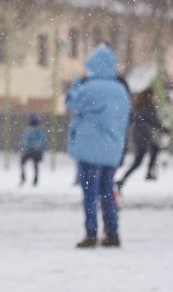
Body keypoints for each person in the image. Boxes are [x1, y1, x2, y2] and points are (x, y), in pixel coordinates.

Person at [65, 44, 130, 249]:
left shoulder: (89, 88)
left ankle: (91, 234)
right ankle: (112, 233)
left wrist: (78, 81)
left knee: (89, 194)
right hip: (112, 151)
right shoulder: (120, 90)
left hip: (89, 149)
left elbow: (71, 103)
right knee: (107, 193)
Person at [116, 88, 169, 190]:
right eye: (154, 95)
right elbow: (154, 121)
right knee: (141, 159)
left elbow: (129, 119)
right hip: (143, 135)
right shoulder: (148, 107)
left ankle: (124, 179)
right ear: (149, 96)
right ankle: (145, 173)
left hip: (139, 135)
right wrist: (165, 129)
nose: (155, 98)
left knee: (150, 152)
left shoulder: (137, 107)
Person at [20, 113, 47, 186]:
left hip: (30, 150)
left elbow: (25, 141)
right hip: (35, 151)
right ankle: (34, 179)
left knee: (24, 164)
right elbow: (43, 141)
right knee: (35, 166)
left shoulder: (29, 130)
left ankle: (25, 178)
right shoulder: (39, 130)